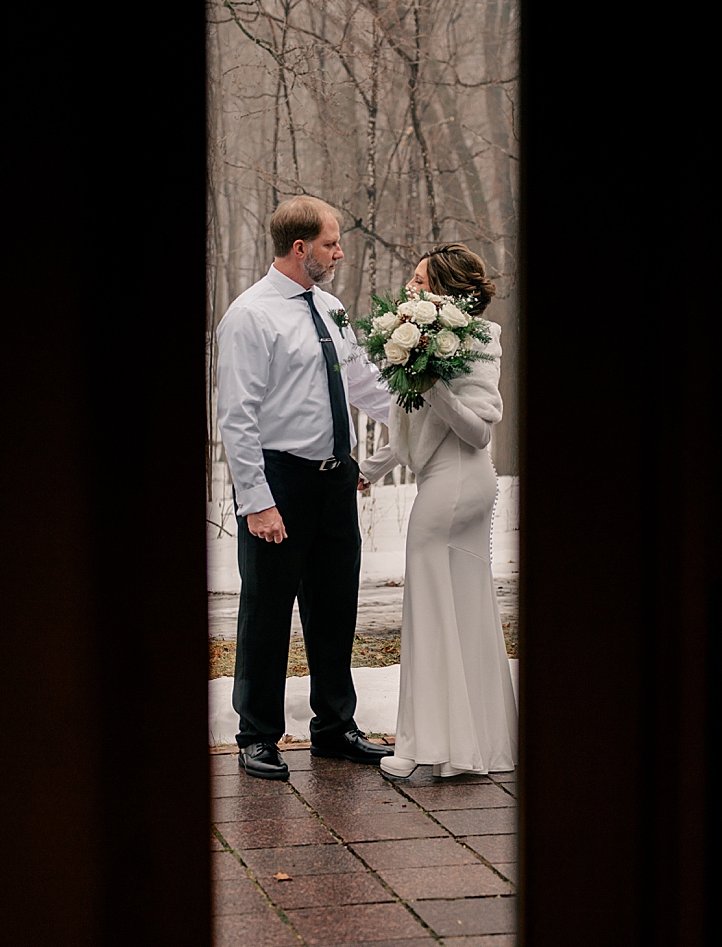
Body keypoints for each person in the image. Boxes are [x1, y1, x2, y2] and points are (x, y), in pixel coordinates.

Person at [215, 197, 395, 781]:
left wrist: (426, 414)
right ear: (300, 248)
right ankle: (258, 735)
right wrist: (258, 502)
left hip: (334, 480)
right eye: (331, 244)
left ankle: (334, 728)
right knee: (267, 612)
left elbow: (366, 385)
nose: (339, 252)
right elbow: (237, 418)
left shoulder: (333, 309)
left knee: (336, 607)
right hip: (281, 482)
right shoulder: (251, 316)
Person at [358, 245, 514, 780]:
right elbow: (409, 422)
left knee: (428, 608)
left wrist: (435, 384)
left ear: (445, 292)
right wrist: (371, 470)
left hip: (458, 483)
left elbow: (478, 430)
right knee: (465, 608)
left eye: (421, 281)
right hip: (446, 479)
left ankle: (424, 745)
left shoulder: (476, 342)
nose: (410, 287)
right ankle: (476, 744)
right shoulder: (422, 343)